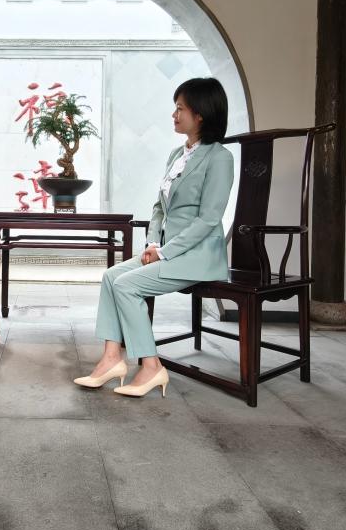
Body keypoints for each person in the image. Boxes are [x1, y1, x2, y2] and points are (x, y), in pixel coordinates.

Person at [75, 77, 234, 398]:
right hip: (167, 250)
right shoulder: (177, 154)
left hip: (199, 256)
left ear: (201, 114)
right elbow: (159, 207)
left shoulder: (220, 158)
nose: (174, 115)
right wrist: (153, 243)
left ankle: (151, 366)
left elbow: (209, 219)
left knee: (126, 285)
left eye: (180, 109)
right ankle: (111, 358)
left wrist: (165, 252)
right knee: (111, 276)